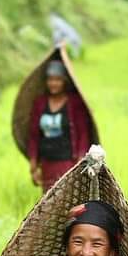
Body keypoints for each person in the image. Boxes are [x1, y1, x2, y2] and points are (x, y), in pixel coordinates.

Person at [27, 60, 94, 193]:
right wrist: (33, 162)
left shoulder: (74, 102)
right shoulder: (40, 103)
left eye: (58, 80)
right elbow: (34, 134)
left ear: (64, 81)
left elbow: (83, 133)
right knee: (49, 205)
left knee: (68, 203)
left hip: (68, 163)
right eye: (50, 80)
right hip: (47, 163)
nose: (53, 83)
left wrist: (80, 161)